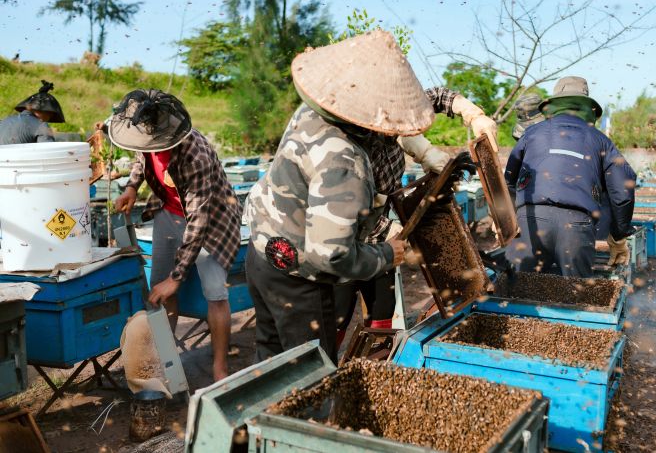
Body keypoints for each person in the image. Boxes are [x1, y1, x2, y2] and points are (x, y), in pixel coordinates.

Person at [245, 30, 488, 362]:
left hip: (262, 249)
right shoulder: (344, 161)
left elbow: (417, 102)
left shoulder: (320, 109)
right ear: (375, 120)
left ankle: (253, 412)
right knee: (305, 372)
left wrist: (468, 110)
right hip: (300, 269)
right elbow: (330, 255)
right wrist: (389, 254)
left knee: (269, 364)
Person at [333, 85, 496, 341]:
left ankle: (378, 356)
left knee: (384, 311)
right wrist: (392, 231)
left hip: (382, 246)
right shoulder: (352, 147)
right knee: (337, 315)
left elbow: (437, 97)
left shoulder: (394, 111)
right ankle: (329, 365)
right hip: (346, 243)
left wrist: (472, 113)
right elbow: (345, 210)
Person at [110, 89, 241, 381]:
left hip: (213, 221)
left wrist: (178, 277)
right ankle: (166, 364)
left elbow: (198, 221)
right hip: (168, 213)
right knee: (157, 291)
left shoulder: (196, 154)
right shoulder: (144, 133)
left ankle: (220, 367)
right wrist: (131, 187)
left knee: (215, 293)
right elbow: (140, 159)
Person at [504, 76, 636, 277]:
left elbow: (509, 180)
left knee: (521, 293)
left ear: (553, 105)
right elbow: (623, 189)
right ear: (587, 108)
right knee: (575, 297)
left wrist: (510, 219)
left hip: (531, 222)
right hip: (577, 226)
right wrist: (618, 237)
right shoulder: (600, 140)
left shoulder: (531, 133)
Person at [0, 80, 65, 144]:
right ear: (45, 111)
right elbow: (48, 151)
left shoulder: (4, 121)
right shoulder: (41, 125)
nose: (50, 117)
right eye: (51, 113)